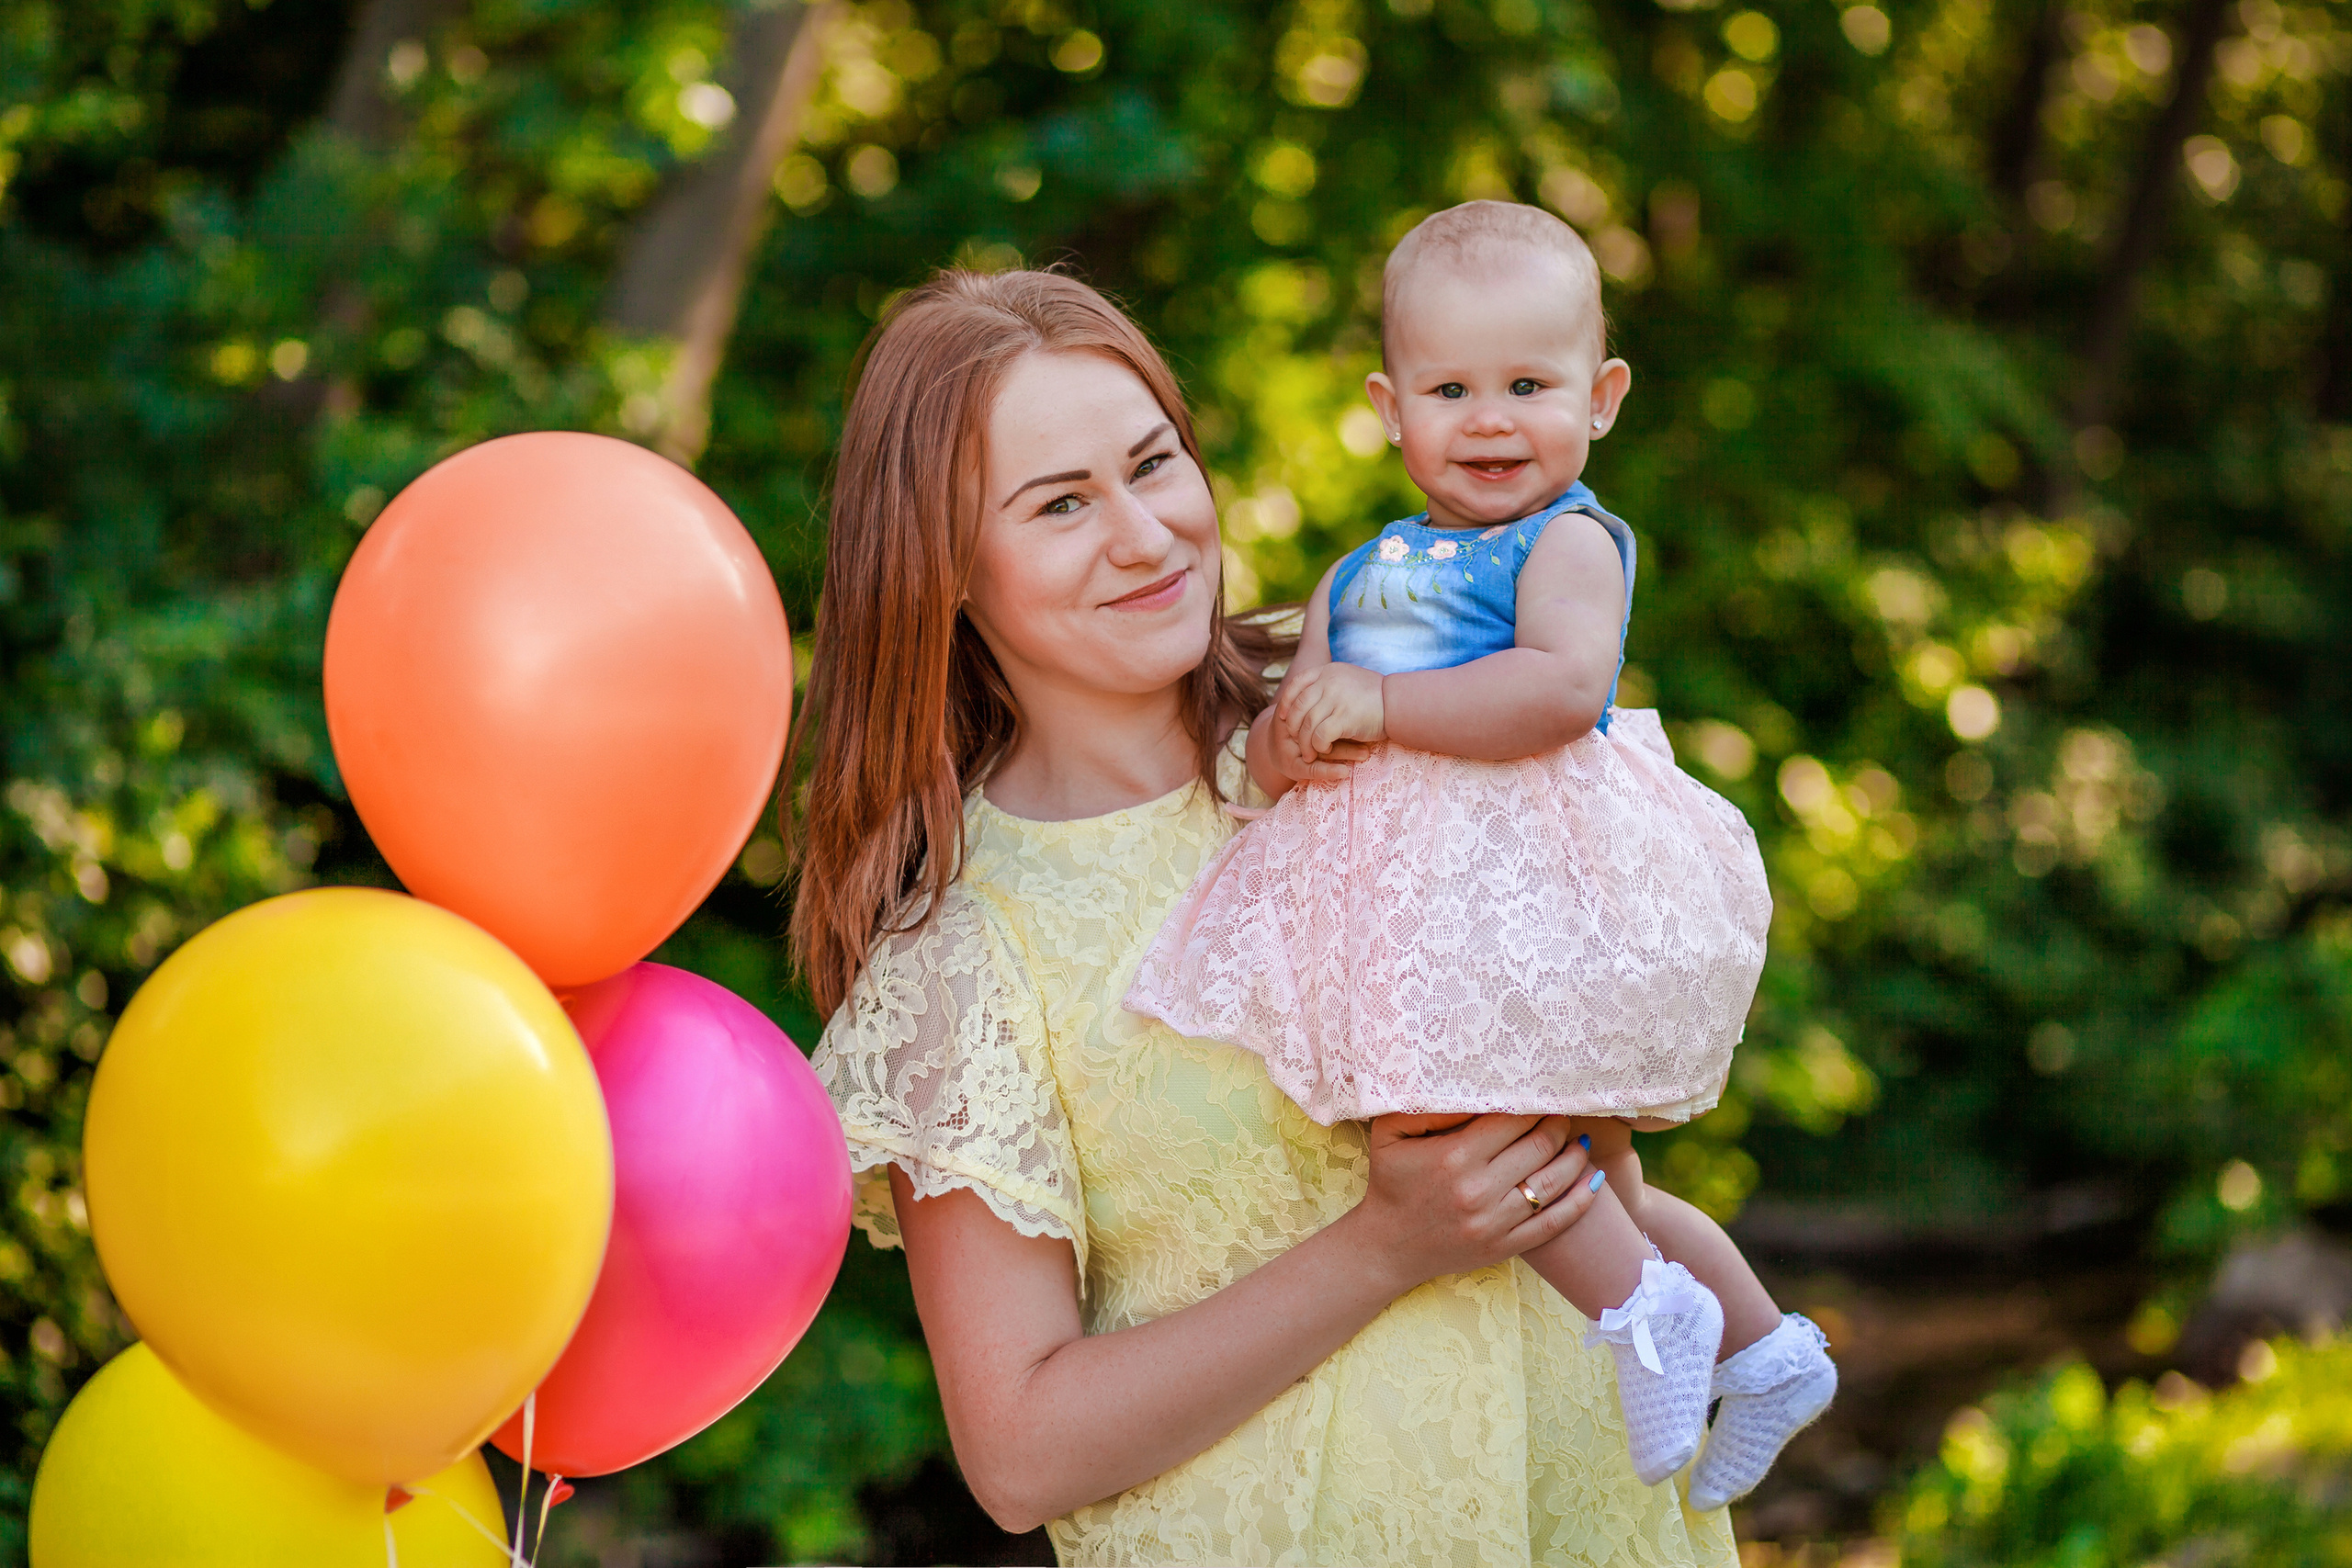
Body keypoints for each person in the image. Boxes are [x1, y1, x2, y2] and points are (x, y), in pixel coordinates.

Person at [798, 265, 1738, 1565]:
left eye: (1154, 463)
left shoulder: (1381, 701)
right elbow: (1017, 1455)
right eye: (1063, 504)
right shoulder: (964, 952)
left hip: (1583, 1514)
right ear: (945, 567)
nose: (1146, 534)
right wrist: (1383, 1247)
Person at [1127, 202, 1836, 1509]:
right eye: (1453, 389)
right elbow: (1306, 729)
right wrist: (1294, 748)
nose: (1494, 419)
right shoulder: (1357, 574)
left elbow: (1560, 693)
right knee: (1591, 1173)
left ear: (1601, 397)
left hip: (1531, 889)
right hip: (1413, 903)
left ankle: (1653, 1324)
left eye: (1530, 384)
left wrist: (1387, 711)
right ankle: (1766, 1350)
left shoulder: (1563, 541)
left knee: (1456, 1121)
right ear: (1391, 409)